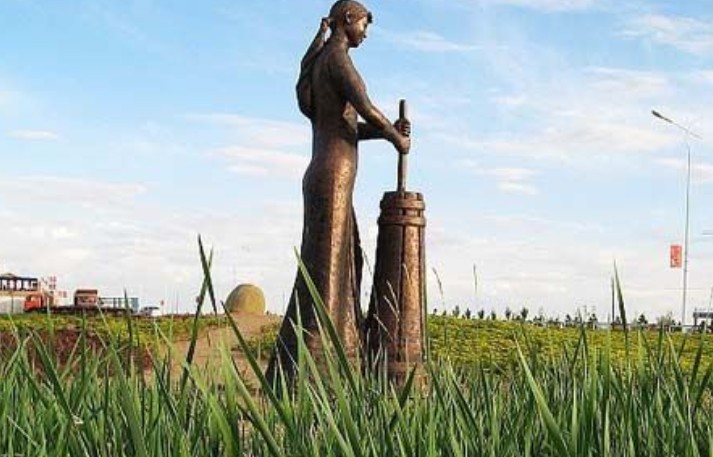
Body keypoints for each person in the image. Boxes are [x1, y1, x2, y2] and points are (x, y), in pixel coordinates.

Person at [266, 0, 410, 383]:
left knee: (346, 263)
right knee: (329, 272)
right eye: (364, 24)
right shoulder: (338, 60)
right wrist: (396, 138)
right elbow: (366, 108)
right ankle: (318, 370)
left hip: (326, 174)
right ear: (348, 20)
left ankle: (325, 357)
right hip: (333, 176)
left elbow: (347, 126)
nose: (366, 33)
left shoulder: (320, 64)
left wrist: (385, 132)